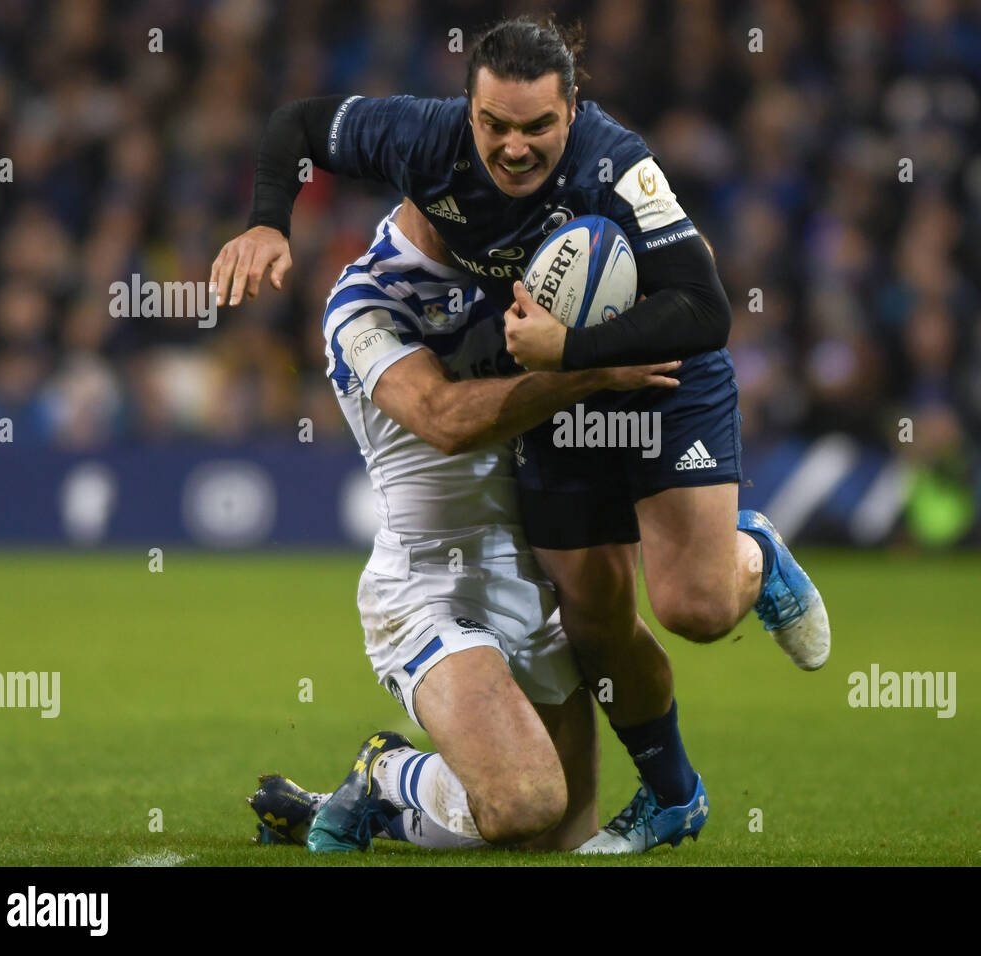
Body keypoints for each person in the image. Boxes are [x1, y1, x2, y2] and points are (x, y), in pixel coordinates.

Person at [213, 15, 828, 854]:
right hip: (548, 409)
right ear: (462, 121)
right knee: (580, 696)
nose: (512, 148)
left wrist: (575, 351)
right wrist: (267, 221)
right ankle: (640, 794)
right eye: (494, 126)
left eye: (537, 126)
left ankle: (746, 554)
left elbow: (707, 308)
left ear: (573, 111)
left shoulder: (613, 164)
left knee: (697, 604)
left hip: (643, 359)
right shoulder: (374, 285)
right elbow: (298, 128)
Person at [233, 198, 681, 853]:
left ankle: (364, 804)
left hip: (531, 582)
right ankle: (387, 768)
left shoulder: (523, 257)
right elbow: (443, 420)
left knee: (552, 836)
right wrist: (592, 369)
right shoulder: (364, 295)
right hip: (429, 588)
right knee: (527, 799)